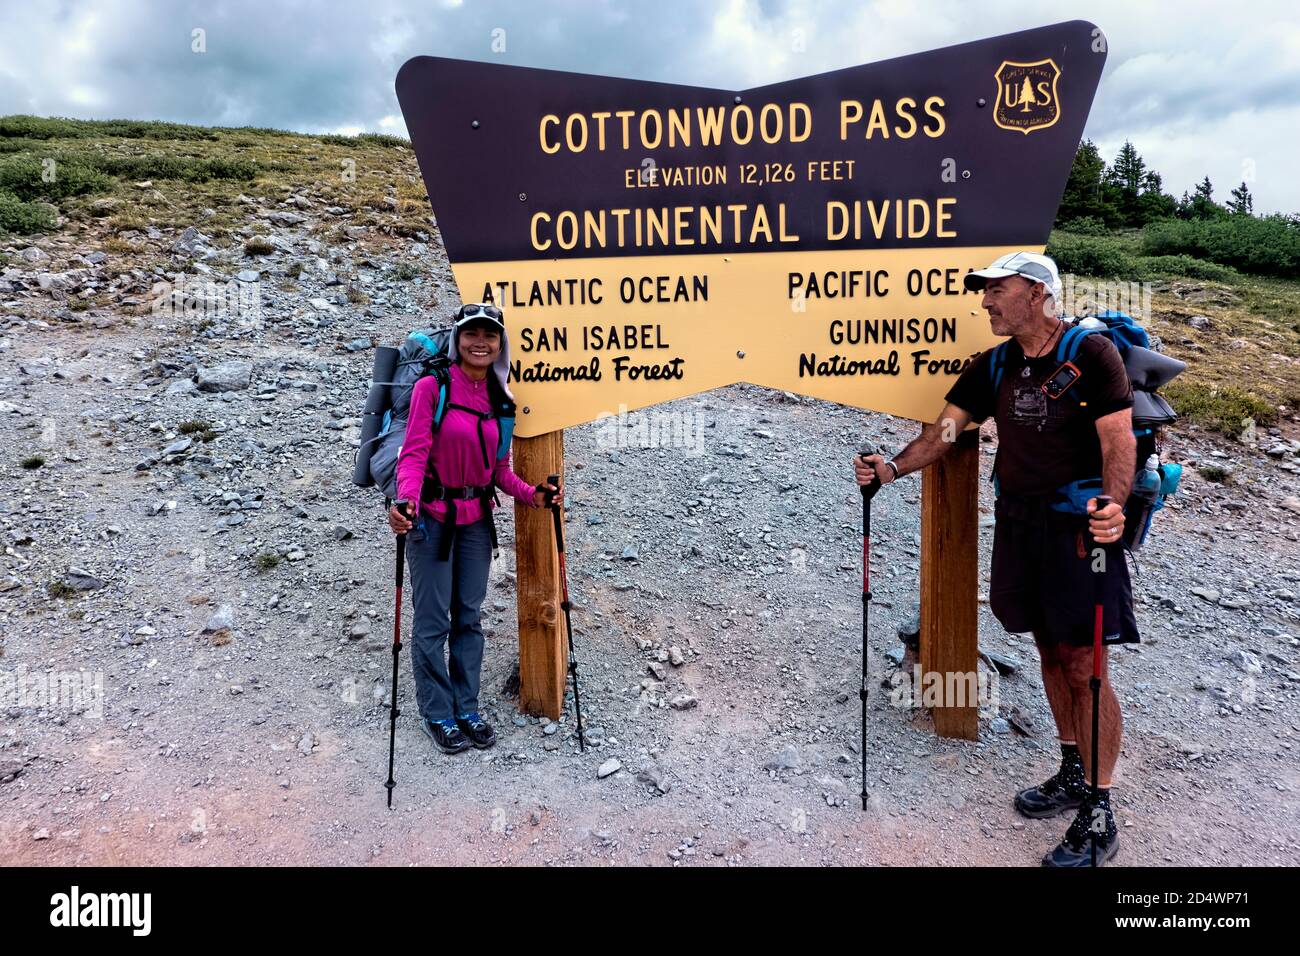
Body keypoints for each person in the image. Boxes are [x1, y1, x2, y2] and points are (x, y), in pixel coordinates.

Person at [854, 252, 1136, 866]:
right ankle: (1071, 769)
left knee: (1086, 662)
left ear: (1035, 293)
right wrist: (891, 469)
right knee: (1047, 649)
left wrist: (1113, 507)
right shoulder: (997, 365)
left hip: (1081, 531)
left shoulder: (1090, 354)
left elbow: (1120, 438)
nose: (984, 301)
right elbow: (945, 432)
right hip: (1020, 527)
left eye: (995, 290)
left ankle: (1099, 809)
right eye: (983, 292)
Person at [387, 303, 559, 755]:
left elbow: (499, 469)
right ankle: (437, 711)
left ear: (500, 343)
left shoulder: (502, 401)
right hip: (431, 517)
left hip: (477, 521)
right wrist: (404, 501)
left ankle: (467, 706)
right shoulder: (432, 387)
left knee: (469, 618)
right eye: (471, 333)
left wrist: (532, 495)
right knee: (431, 623)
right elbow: (415, 451)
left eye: (490, 334)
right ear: (457, 339)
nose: (479, 341)